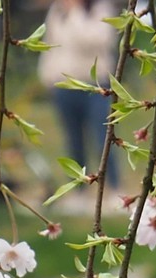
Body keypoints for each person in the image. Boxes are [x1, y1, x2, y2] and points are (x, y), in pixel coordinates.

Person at [37, 0, 118, 191]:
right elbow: (52, 45)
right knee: (73, 140)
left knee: (102, 137)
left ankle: (113, 186)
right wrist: (47, 76)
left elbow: (93, 41)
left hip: (95, 85)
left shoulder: (100, 10)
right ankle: (78, 188)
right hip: (64, 85)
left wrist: (75, 13)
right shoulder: (57, 11)